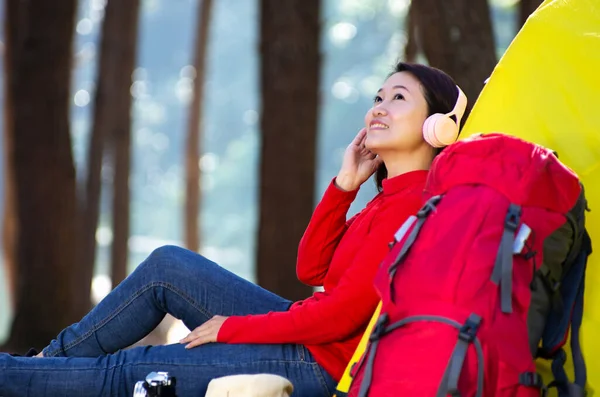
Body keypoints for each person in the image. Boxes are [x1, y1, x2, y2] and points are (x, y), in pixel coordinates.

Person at [0, 62, 468, 397]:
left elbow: (340, 317)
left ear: (437, 128)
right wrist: (345, 186)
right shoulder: (389, 198)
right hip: (313, 339)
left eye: (398, 98)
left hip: (325, 364)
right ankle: (43, 367)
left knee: (131, 369)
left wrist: (231, 329)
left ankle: (17, 376)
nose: (378, 110)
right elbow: (313, 268)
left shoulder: (415, 206)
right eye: (378, 98)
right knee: (168, 266)